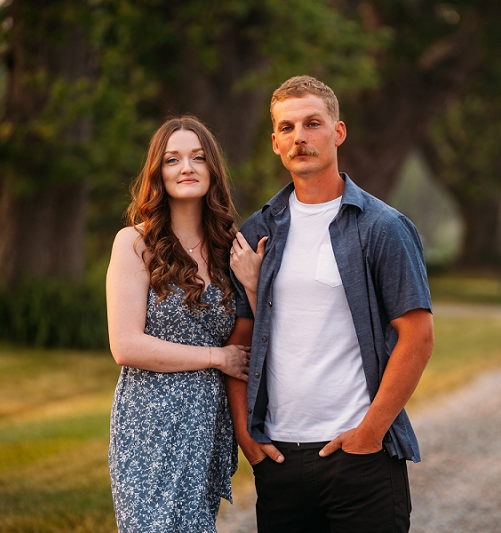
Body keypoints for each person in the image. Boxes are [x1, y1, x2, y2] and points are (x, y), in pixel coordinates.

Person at [227, 75, 434, 532]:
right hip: (280, 460)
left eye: (312, 123)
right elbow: (239, 342)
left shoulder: (382, 227)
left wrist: (371, 432)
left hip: (360, 459)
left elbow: (417, 336)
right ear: (276, 144)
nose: (300, 137)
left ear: (337, 133)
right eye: (287, 128)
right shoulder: (258, 232)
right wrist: (247, 436)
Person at [106, 115, 250, 532]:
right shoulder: (135, 243)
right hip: (148, 417)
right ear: (158, 172)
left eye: (198, 157)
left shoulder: (230, 249)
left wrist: (254, 284)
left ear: (212, 169)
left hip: (206, 420)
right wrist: (217, 357)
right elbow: (126, 346)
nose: (186, 168)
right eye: (173, 160)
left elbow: (255, 323)